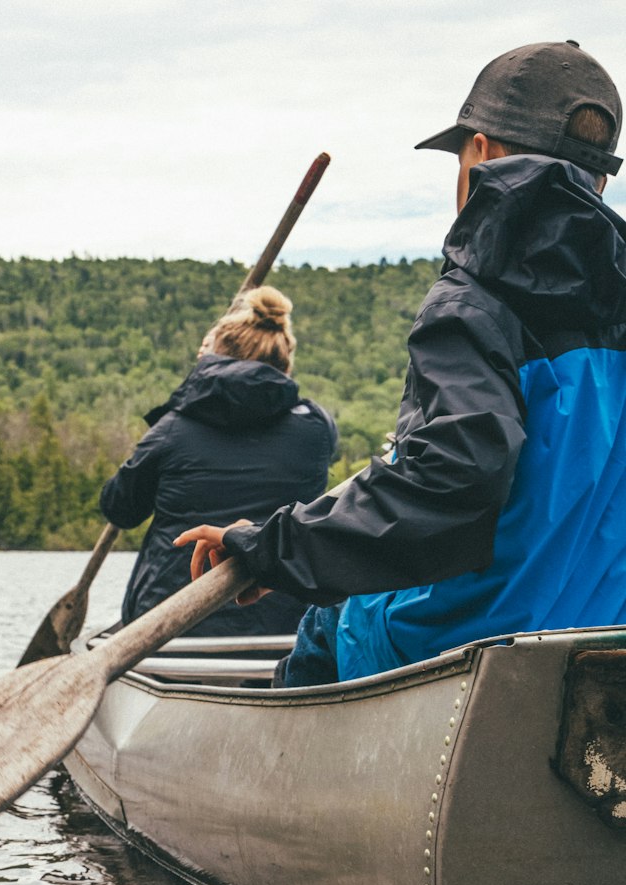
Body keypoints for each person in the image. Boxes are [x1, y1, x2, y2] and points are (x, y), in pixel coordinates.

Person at [177, 40, 626, 685]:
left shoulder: (475, 301)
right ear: (601, 180)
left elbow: (455, 473)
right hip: (599, 654)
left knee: (332, 618)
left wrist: (272, 550)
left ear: (482, 150)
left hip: (462, 651)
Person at [99, 286, 337, 638]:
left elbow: (119, 508)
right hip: (279, 629)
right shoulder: (317, 429)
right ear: (284, 365)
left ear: (211, 361)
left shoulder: (172, 429)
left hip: (167, 627)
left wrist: (189, 393)